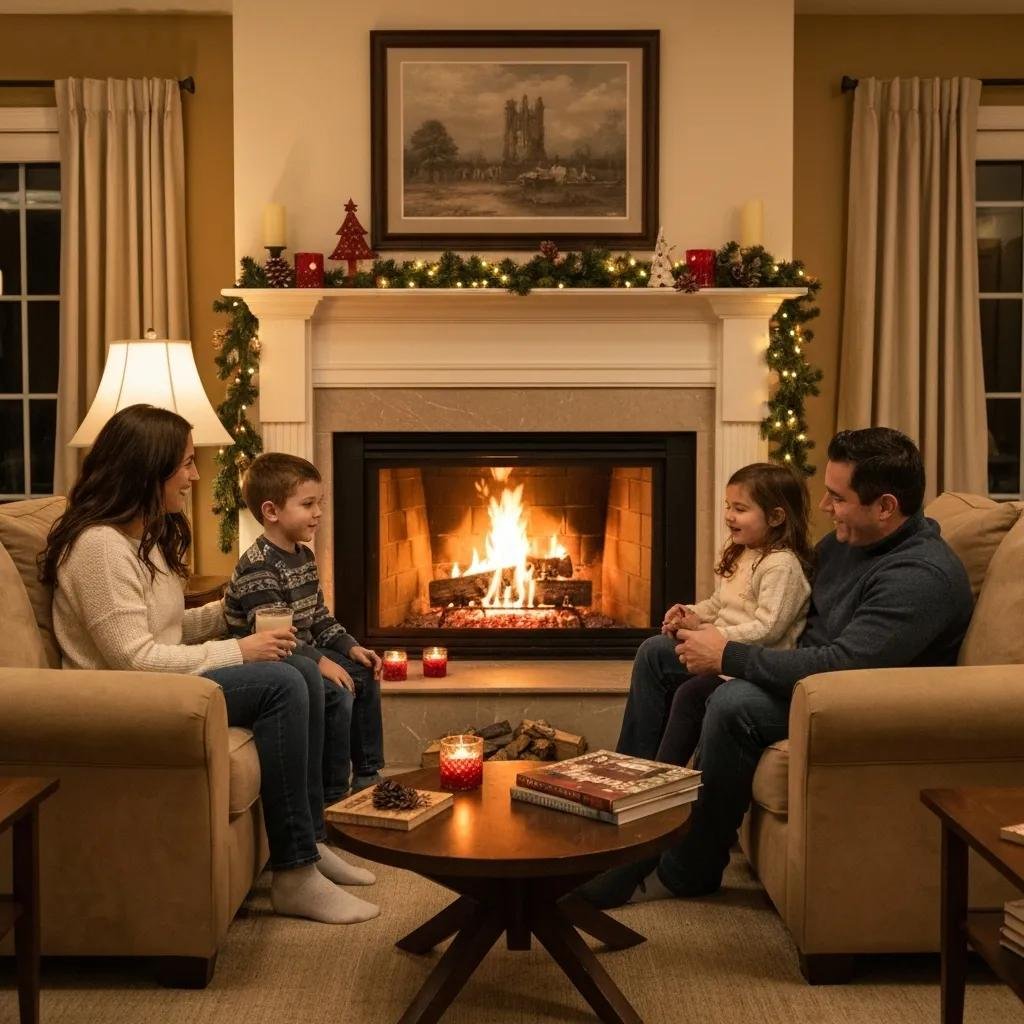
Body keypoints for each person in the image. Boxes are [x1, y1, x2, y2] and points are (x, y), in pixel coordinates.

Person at [579, 427, 974, 908]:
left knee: (733, 702)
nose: (825, 507)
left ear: (885, 506)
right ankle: (618, 816)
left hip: (852, 701)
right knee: (658, 653)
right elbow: (786, 616)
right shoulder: (849, 542)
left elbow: (842, 665)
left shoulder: (919, 578)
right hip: (803, 671)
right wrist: (705, 625)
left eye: (837, 498)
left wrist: (727, 655)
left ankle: (688, 871)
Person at [43, 404, 379, 926]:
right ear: (147, 469)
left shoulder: (141, 539)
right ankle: (294, 875)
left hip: (155, 684)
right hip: (127, 697)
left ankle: (309, 844)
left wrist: (232, 612)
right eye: (185, 463)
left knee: (300, 673)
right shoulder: (99, 549)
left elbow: (167, 626)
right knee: (284, 682)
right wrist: (239, 649)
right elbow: (133, 658)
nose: (195, 475)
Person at [623, 462, 813, 771]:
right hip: (720, 652)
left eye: (740, 509)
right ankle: (630, 764)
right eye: (728, 506)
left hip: (752, 666)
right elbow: (719, 603)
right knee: (653, 651)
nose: (729, 516)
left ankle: (659, 779)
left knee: (690, 695)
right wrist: (691, 613)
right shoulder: (743, 550)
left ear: (776, 517)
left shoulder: (781, 566)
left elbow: (768, 628)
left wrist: (712, 636)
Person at [224, 452, 385, 800]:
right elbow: (275, 639)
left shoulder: (303, 556)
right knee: (337, 694)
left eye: (319, 503)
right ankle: (333, 794)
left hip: (305, 651)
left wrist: (350, 647)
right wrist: (323, 663)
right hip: (272, 660)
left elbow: (319, 617)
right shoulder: (258, 567)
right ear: (272, 511)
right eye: (308, 504)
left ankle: (368, 774)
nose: (318, 513)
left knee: (363, 671)